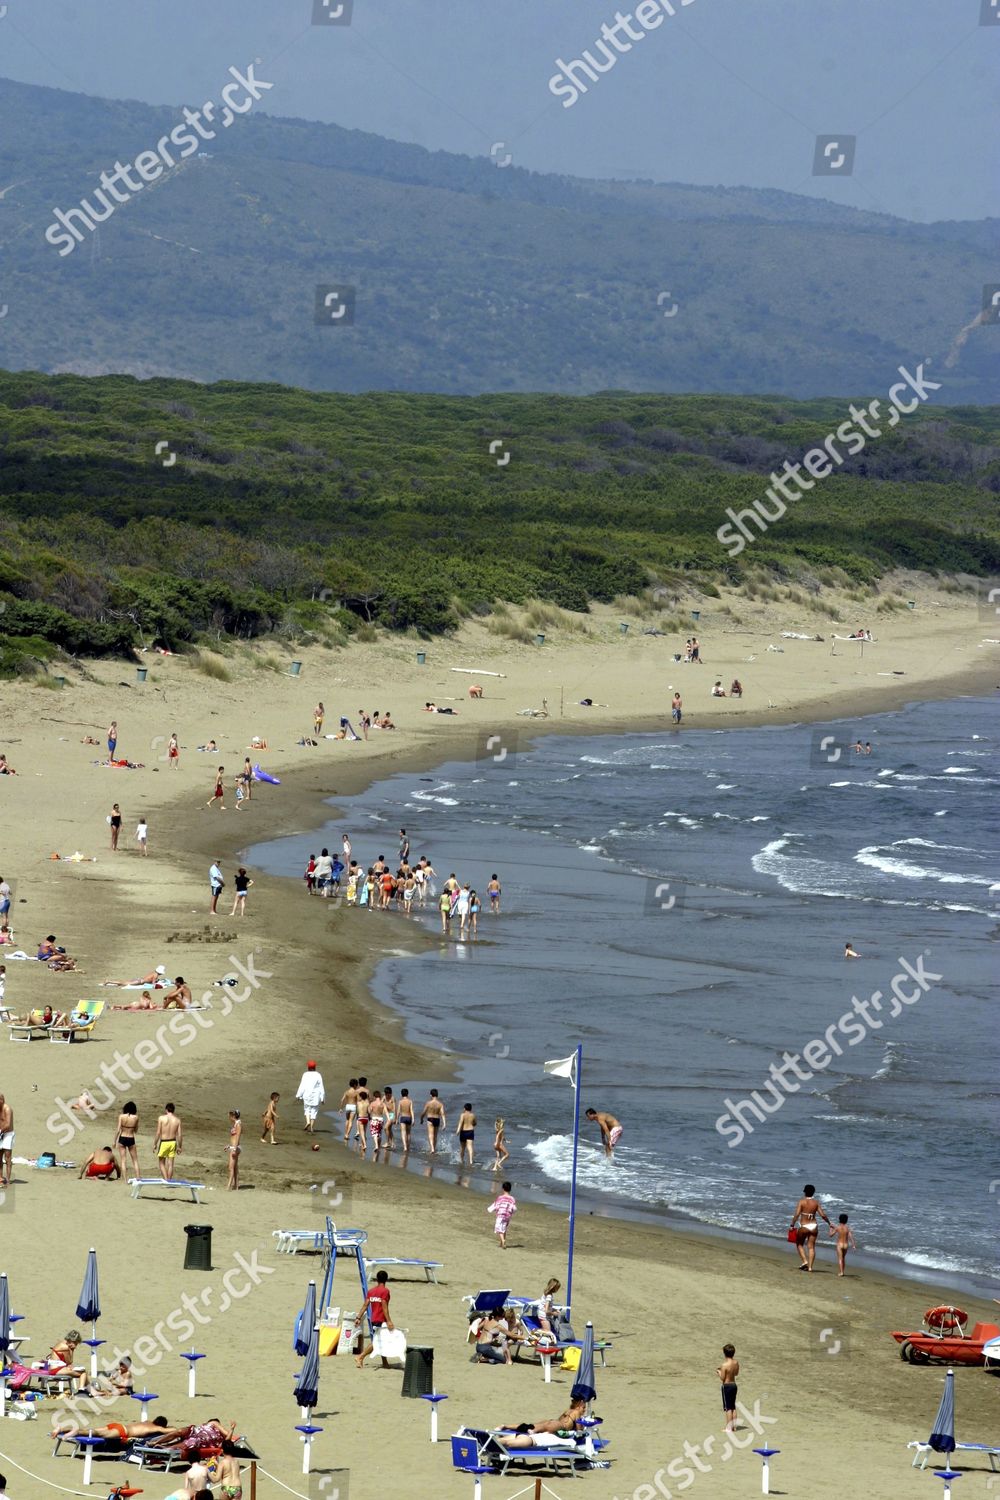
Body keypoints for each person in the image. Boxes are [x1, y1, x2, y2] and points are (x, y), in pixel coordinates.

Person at [353, 1270, 394, 1370]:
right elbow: (384, 1307)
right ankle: (360, 1357)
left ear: (377, 1279)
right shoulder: (385, 1291)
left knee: (380, 1340)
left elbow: (365, 1305)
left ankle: (385, 1362)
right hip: (380, 1319)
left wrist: (358, 1317)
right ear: (386, 1279)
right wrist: (389, 1321)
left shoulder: (371, 1291)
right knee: (378, 1341)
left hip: (373, 1319)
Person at [790, 1183, 831, 1271]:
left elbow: (797, 1214)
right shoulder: (816, 1202)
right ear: (813, 1192)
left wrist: (792, 1225)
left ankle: (805, 1261)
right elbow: (823, 1215)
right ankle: (810, 1267)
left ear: (804, 1192)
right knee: (811, 1247)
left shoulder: (801, 1201)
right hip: (814, 1226)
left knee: (799, 1244)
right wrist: (829, 1223)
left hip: (804, 1225)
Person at [154, 1103, 183, 1181]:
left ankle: (166, 1179)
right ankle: (169, 1181)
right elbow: (179, 1135)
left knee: (161, 1162)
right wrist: (180, 1146)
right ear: (173, 1110)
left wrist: (155, 1144)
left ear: (166, 1109)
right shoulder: (177, 1120)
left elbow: (158, 1132)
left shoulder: (161, 1118)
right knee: (170, 1164)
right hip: (173, 1142)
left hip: (164, 1142)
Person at [296, 1060, 325, 1133]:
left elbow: (302, 1085)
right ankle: (312, 1127)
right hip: (316, 1096)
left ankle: (308, 1122)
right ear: (315, 1067)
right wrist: (322, 1098)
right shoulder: (318, 1075)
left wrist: (299, 1095)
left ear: (308, 1067)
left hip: (307, 1095)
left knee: (307, 1109)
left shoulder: (305, 1074)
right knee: (314, 1111)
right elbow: (321, 1087)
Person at [717, 1343, 739, 1433]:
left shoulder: (724, 1365)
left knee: (728, 1408)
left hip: (727, 1386)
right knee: (733, 1407)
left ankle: (728, 1428)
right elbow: (736, 1373)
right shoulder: (736, 1363)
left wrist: (718, 1372)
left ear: (724, 1353)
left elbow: (722, 1378)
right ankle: (734, 1427)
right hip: (734, 1385)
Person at [488, 1181, 517, 1249]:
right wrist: (512, 1212)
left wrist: (490, 1209)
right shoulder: (512, 1199)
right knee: (504, 1229)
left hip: (501, 1215)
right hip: (507, 1216)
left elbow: (496, 1205)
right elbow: (514, 1208)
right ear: (510, 1189)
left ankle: (503, 1241)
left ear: (503, 1189)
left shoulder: (500, 1197)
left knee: (498, 1228)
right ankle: (501, 1243)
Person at [115, 1101, 140, 1180]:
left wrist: (114, 1141)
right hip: (131, 1138)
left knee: (123, 1160)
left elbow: (118, 1130)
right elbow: (135, 1130)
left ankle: (125, 1179)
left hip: (122, 1137)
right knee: (135, 1160)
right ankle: (138, 1178)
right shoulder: (136, 1117)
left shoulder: (121, 1116)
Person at [421, 1089, 446, 1154]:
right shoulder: (440, 1104)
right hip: (437, 1119)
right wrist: (444, 1123)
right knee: (435, 1135)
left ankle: (432, 1149)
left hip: (430, 1119)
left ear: (431, 1095)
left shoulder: (428, 1103)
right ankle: (434, 1148)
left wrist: (421, 1118)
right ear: (437, 1095)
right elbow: (442, 1114)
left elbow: (424, 1112)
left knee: (430, 1135)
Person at [0, 1094, 13, 1188]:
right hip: (0, 1133)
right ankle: (0, 1178)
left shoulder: (7, 1109)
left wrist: (0, 1131)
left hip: (8, 1134)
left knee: (7, 1158)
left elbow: (8, 1124)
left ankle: (8, 1180)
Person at [227, 1110, 242, 1191]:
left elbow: (238, 1137)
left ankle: (228, 1186)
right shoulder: (236, 1124)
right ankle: (236, 1185)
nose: (229, 1118)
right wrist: (229, 1146)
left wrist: (234, 1149)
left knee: (231, 1167)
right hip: (233, 1147)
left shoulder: (238, 1125)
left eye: (230, 1116)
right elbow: (233, 1138)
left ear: (233, 1116)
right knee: (235, 1167)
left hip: (235, 1148)